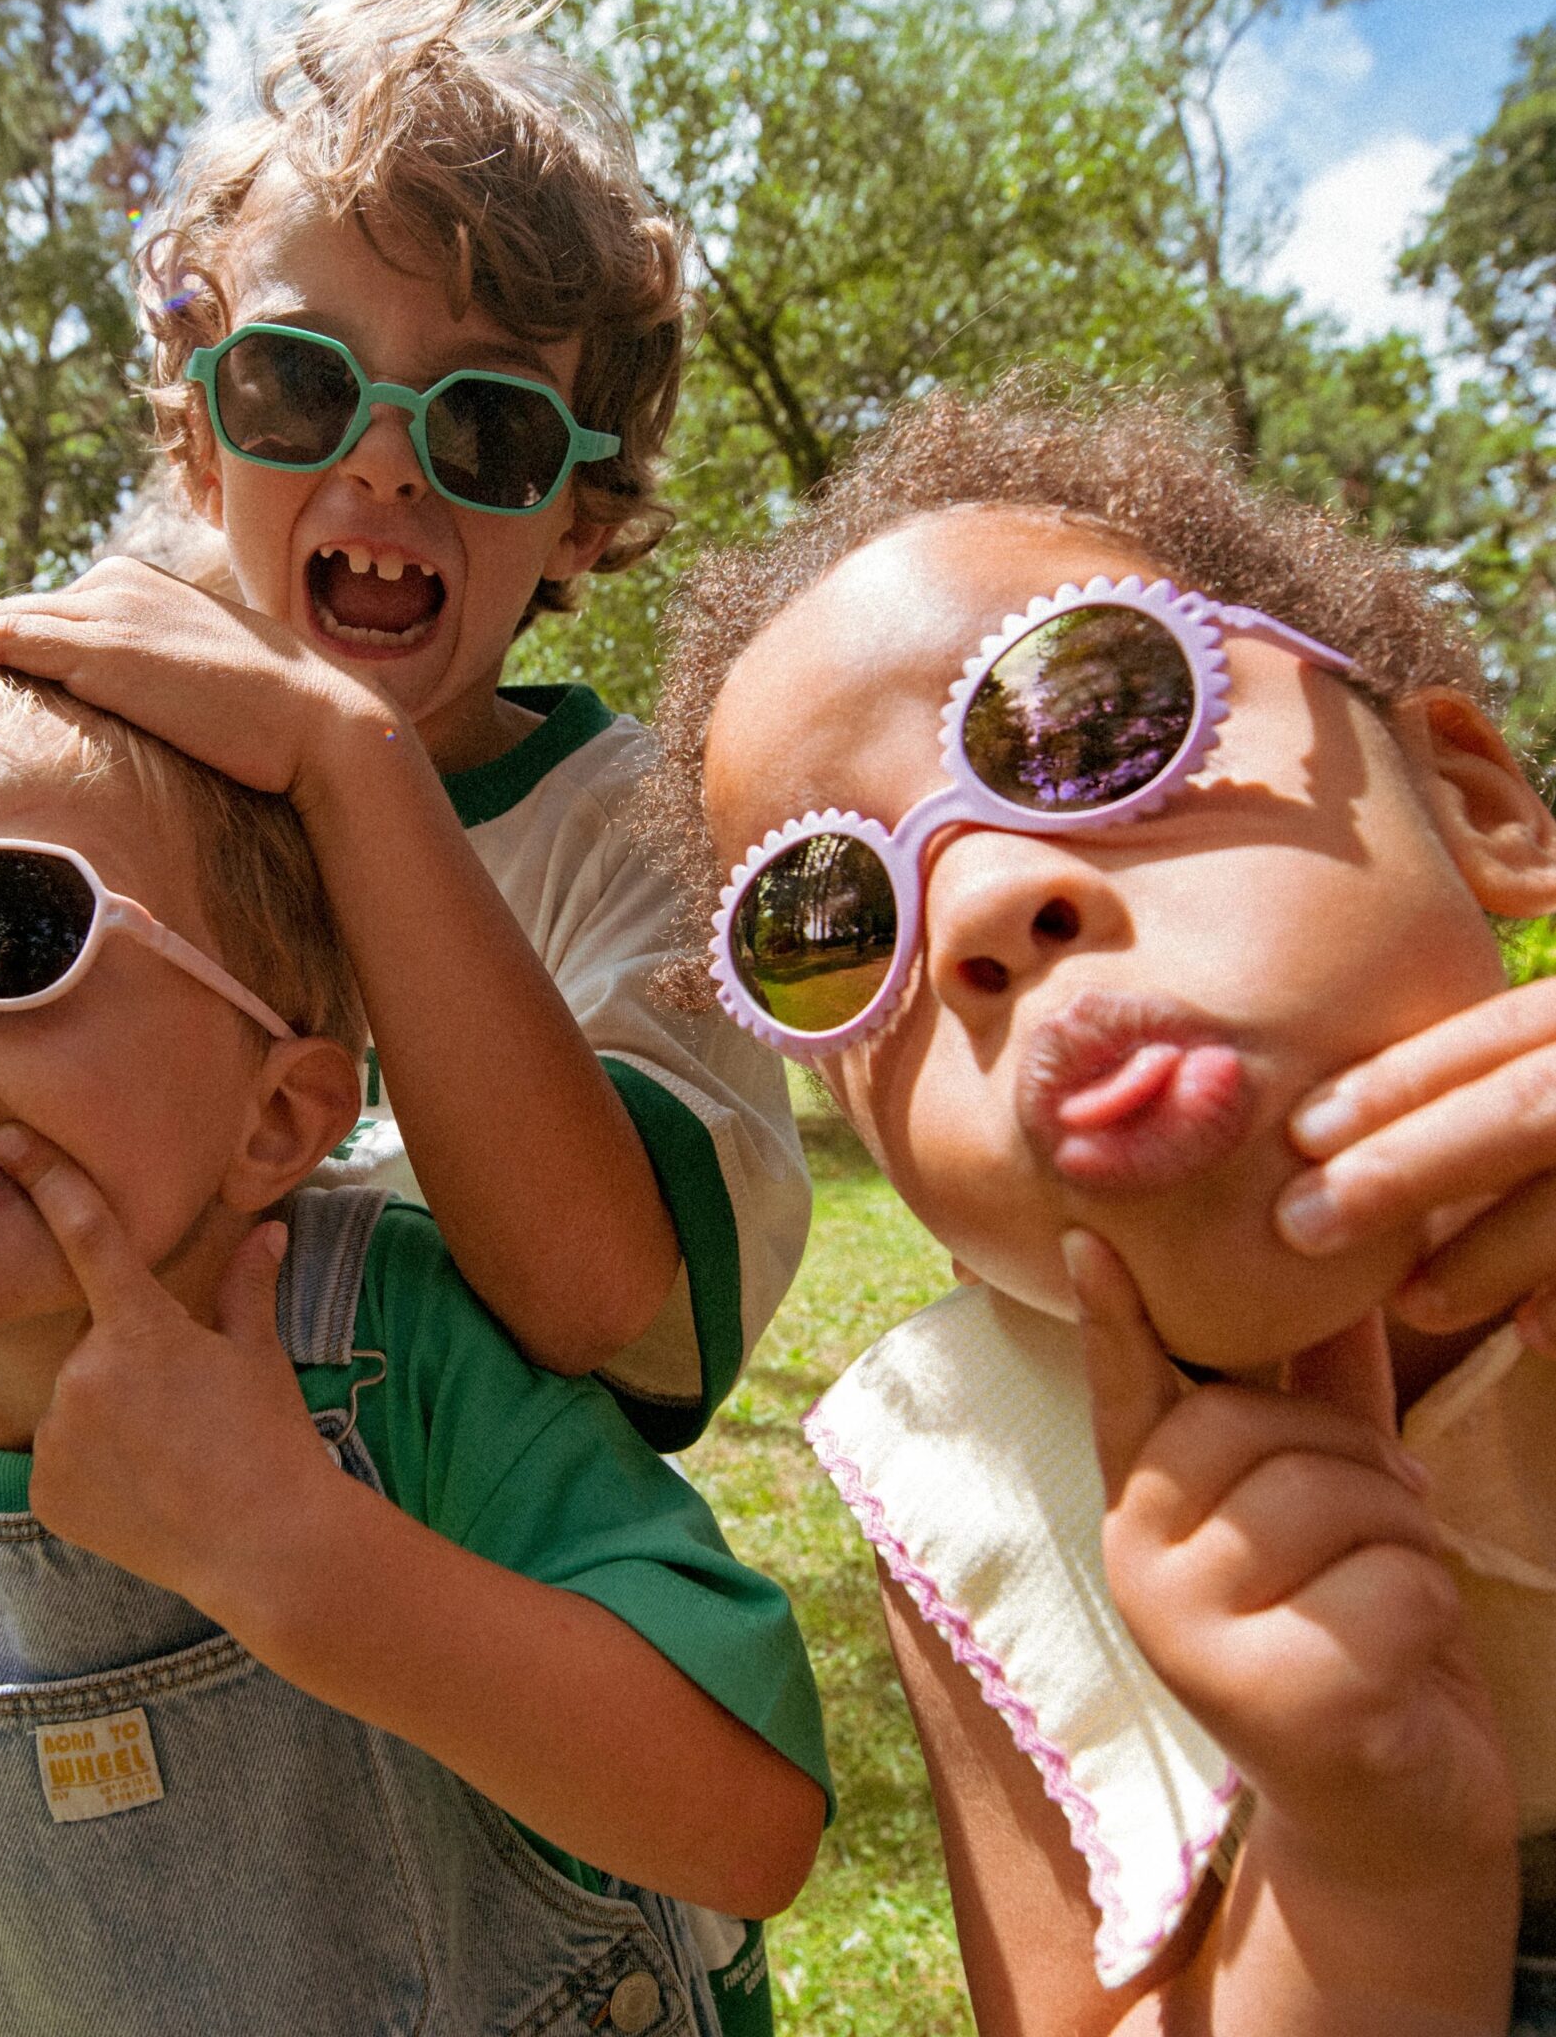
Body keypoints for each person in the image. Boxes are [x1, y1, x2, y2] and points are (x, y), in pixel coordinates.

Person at [0, 0, 808, 1452]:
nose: (382, 463)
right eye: (296, 385)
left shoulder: (634, 834)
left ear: (579, 512)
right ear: (198, 438)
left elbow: (611, 1306)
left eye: (486, 425)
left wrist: (341, 758)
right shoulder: (39, 715)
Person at [639, 383, 1556, 2034]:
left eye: (1094, 725)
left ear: (1470, 804)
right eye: (832, 927)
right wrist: (1363, 1866)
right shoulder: (982, 1479)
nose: (984, 903)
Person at [0, 664, 828, 2037]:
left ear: (276, 1119)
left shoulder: (405, 1354)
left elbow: (747, 1826)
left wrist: (285, 1550)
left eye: (2, 934)